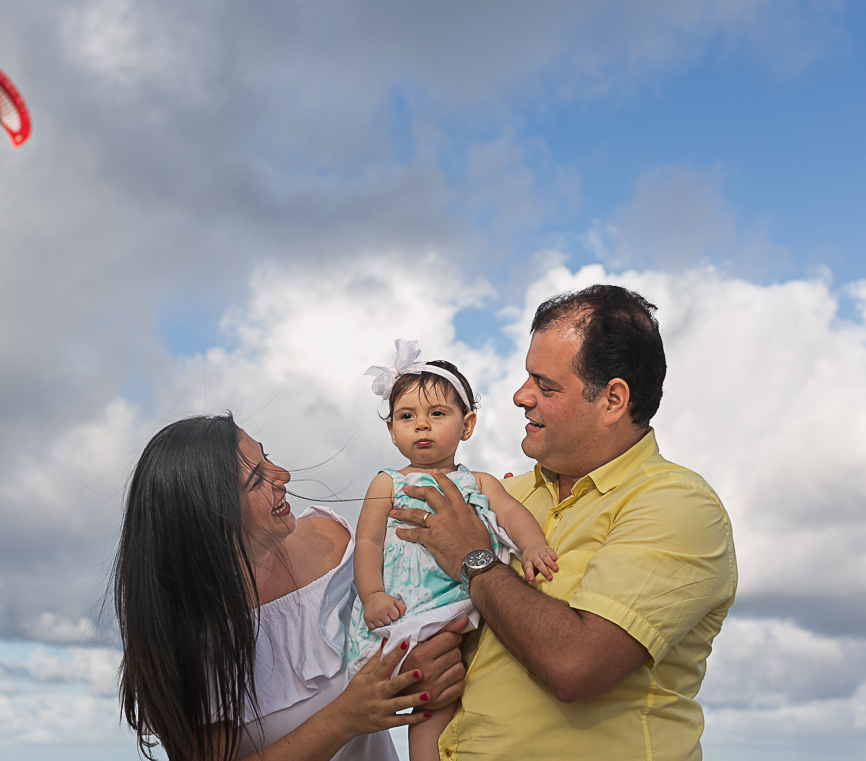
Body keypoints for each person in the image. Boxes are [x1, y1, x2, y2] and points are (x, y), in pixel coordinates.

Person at [390, 285, 737, 760]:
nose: (519, 396)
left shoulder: (677, 504)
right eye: (526, 377)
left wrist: (476, 561)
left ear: (613, 400)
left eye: (545, 385)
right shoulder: (500, 496)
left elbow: (577, 665)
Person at [114, 415, 467, 761]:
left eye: (265, 456)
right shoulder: (187, 643)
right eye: (256, 479)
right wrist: (344, 719)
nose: (282, 476)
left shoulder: (329, 541)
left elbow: (401, 612)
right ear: (212, 520)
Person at [349, 342, 558, 761]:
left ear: (467, 425)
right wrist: (372, 595)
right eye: (407, 417)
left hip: (460, 604)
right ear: (391, 431)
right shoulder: (386, 483)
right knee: (422, 698)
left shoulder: (480, 482)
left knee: (448, 693)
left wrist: (533, 544)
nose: (421, 426)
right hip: (405, 608)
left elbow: (512, 513)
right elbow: (368, 542)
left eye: (437, 414)